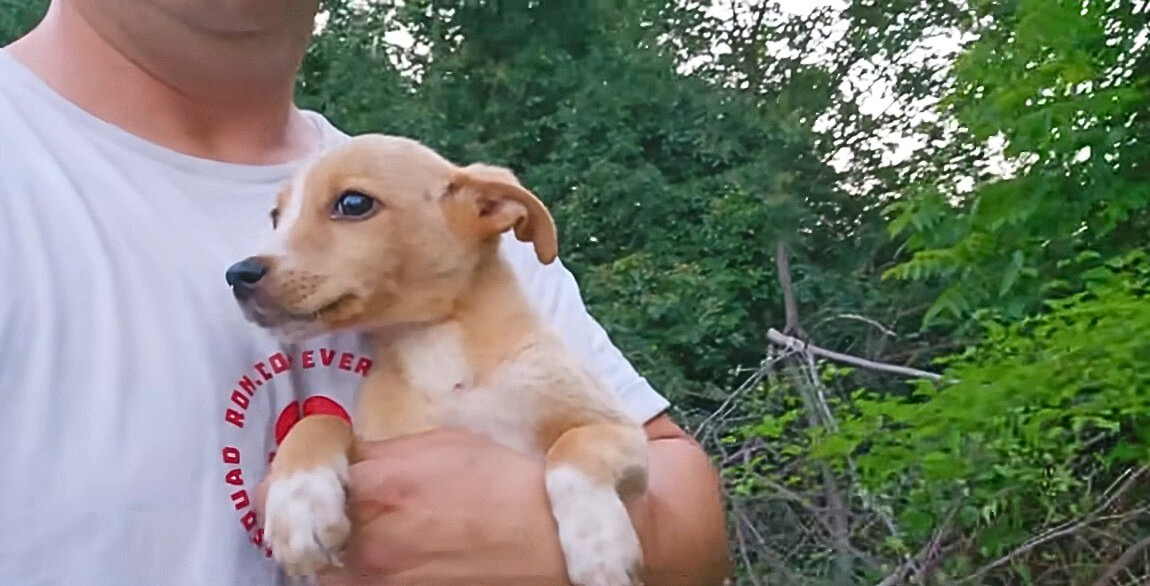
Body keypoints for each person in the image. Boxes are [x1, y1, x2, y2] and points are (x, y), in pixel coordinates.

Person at [0, 0, 731, 584]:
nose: (287, 241)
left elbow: (684, 502)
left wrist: (597, 529)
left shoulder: (451, 230)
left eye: (348, 209)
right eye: (283, 217)